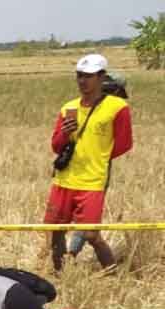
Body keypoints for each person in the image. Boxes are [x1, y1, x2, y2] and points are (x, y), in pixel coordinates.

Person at [47, 54, 132, 272]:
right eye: (79, 76)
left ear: (102, 77)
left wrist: (99, 156)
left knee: (91, 234)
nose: (83, 81)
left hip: (93, 180)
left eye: (88, 76)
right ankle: (60, 276)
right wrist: (65, 134)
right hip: (64, 179)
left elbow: (124, 143)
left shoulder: (117, 107)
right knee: (55, 230)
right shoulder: (68, 108)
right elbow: (56, 146)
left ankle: (113, 275)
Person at [68, 68, 130, 256]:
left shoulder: (114, 110)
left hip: (94, 170)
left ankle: (70, 256)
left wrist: (100, 155)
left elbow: (121, 144)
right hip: (77, 168)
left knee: (87, 224)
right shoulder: (83, 107)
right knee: (80, 222)